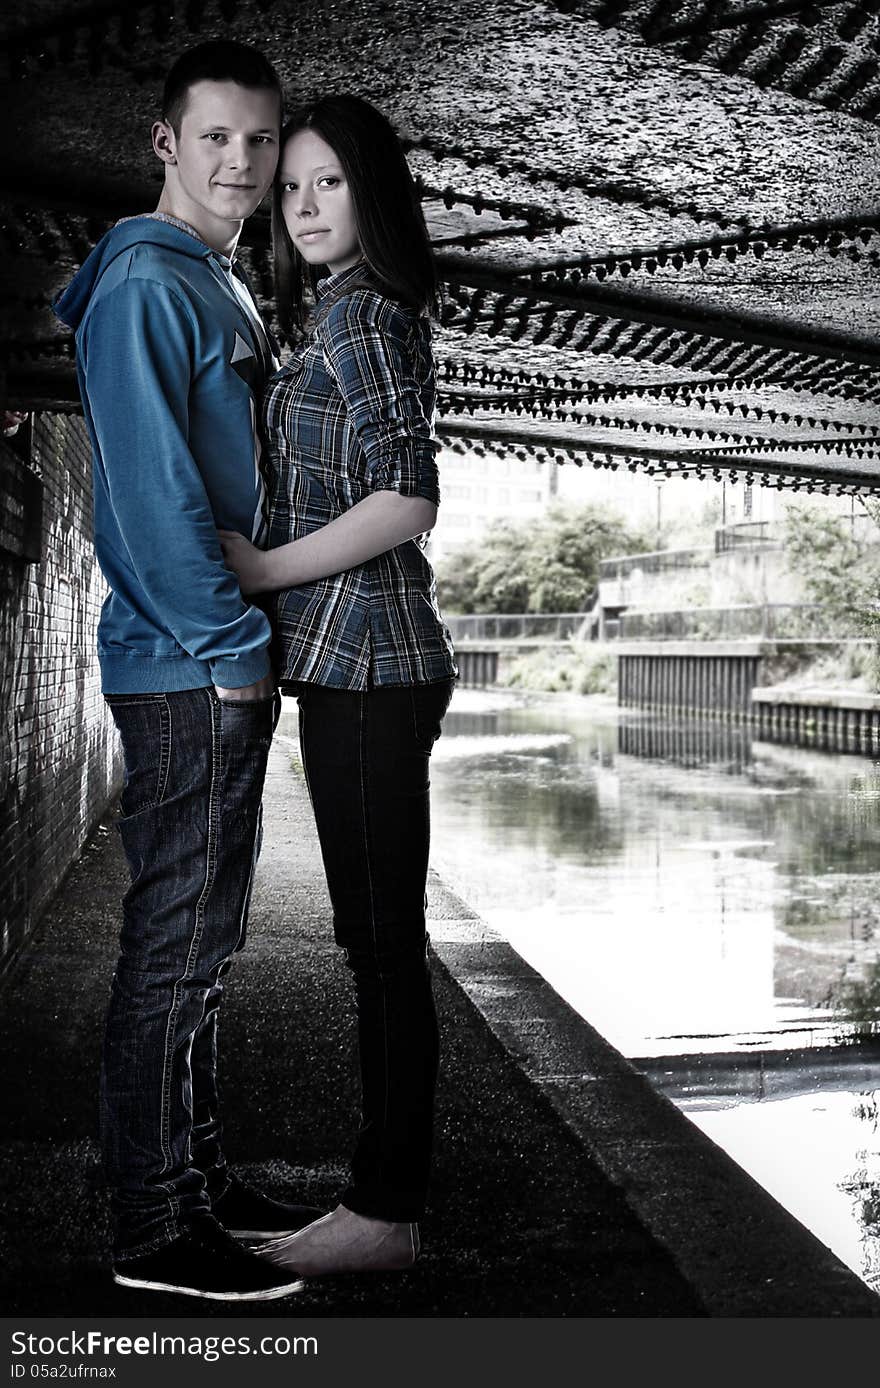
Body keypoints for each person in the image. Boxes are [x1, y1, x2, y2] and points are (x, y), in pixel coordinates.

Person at [53, 41, 319, 1301]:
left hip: (199, 661)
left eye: (260, 141)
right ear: (166, 141)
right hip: (185, 665)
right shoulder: (150, 285)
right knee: (173, 948)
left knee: (202, 947)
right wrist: (233, 651)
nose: (242, 163)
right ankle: (155, 1225)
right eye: (215, 137)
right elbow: (153, 499)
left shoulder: (217, 280)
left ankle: (200, 1179)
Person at [218, 95, 457, 1277]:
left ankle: (386, 1206)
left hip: (373, 660)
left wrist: (261, 568)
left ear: (373, 193)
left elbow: (407, 496)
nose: (305, 206)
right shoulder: (332, 312)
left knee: (380, 945)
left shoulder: (364, 316)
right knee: (375, 943)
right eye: (293, 186)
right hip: (352, 663)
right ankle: (381, 1195)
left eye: (329, 184)